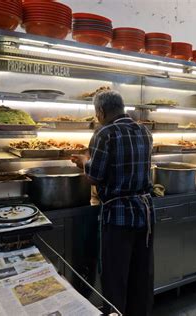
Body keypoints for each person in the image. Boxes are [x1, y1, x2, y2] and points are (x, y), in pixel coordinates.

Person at [71, 90, 154, 316]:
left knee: (115, 276)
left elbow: (94, 176)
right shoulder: (144, 131)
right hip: (144, 212)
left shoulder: (104, 133)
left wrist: (83, 162)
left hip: (117, 215)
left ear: (100, 111)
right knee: (140, 273)